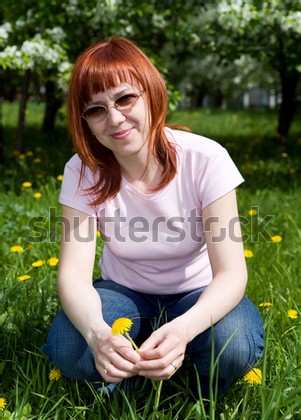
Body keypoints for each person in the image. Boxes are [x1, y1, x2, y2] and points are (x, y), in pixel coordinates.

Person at [42, 36, 264, 400]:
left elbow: (231, 273)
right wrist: (99, 333)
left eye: (125, 98)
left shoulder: (206, 159)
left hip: (197, 293)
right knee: (70, 347)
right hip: (123, 292)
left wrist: (183, 330)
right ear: (85, 122)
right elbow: (73, 275)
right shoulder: (83, 170)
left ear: (151, 93)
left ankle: (191, 388)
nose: (114, 118)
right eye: (95, 110)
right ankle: (131, 374)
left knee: (234, 344)